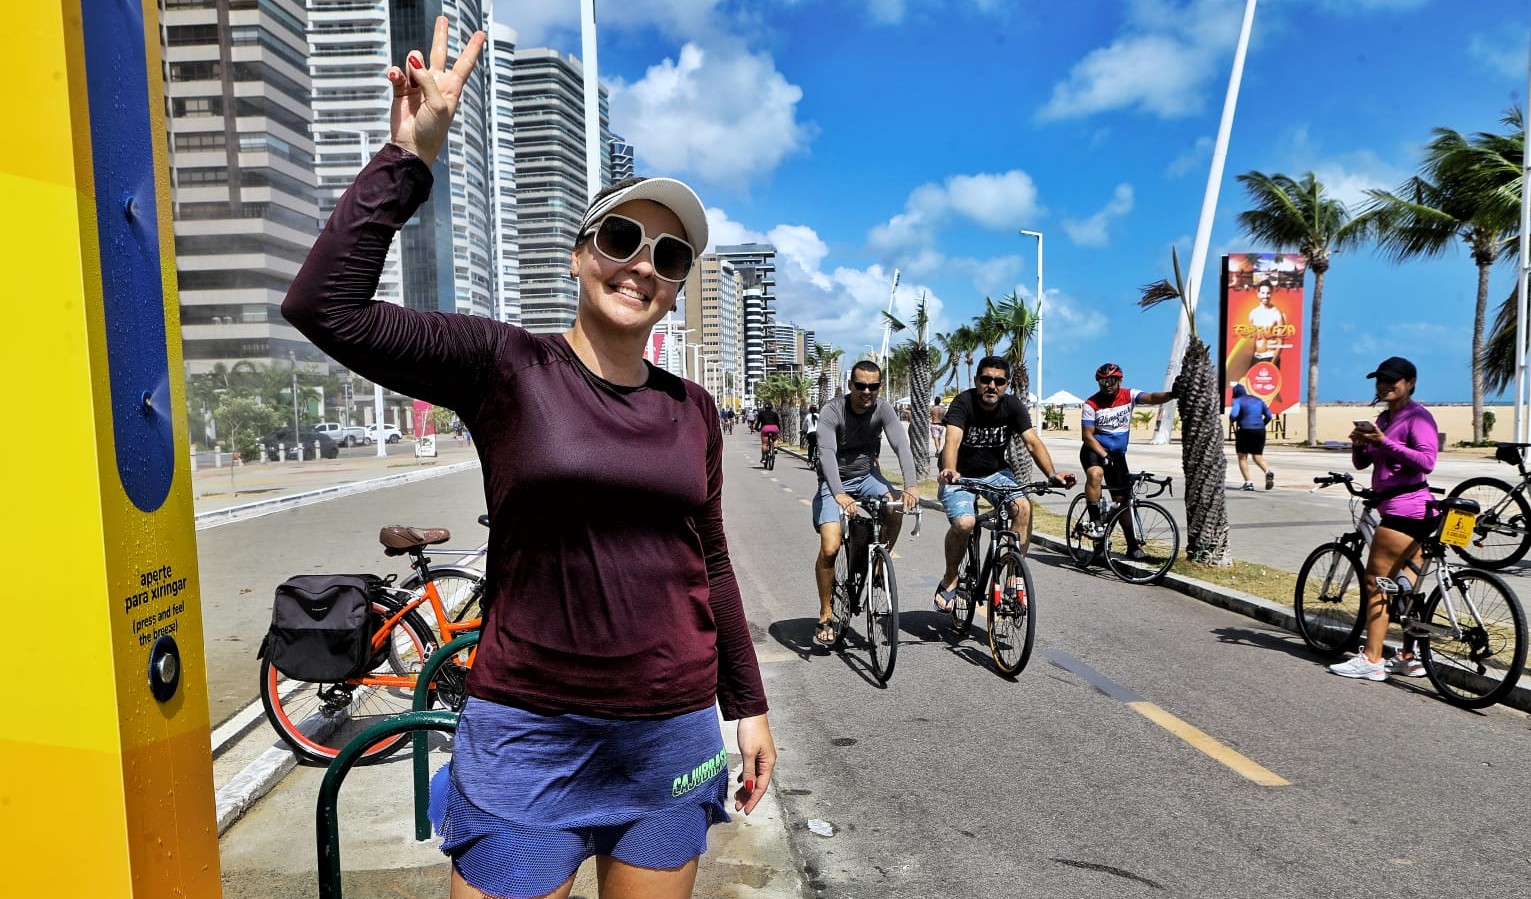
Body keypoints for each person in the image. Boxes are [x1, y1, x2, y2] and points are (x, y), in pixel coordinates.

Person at [281, 19, 774, 899]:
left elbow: (711, 562)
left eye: (667, 256)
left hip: (668, 734)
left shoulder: (692, 409)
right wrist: (409, 156)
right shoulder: (506, 364)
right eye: (622, 240)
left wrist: (748, 706)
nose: (642, 267)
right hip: (527, 736)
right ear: (582, 255)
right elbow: (326, 308)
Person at [934, 356, 1075, 611]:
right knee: (965, 523)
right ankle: (951, 576)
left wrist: (1052, 474)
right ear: (977, 380)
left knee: (1022, 507)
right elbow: (952, 440)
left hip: (995, 473)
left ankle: (1012, 577)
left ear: (1006, 384)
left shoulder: (1012, 405)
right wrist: (950, 470)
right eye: (986, 379)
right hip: (959, 474)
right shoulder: (963, 402)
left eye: (998, 381)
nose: (992, 385)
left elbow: (1032, 442)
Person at [1330, 357, 1437, 682]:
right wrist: (1360, 444)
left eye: (1392, 380)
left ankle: (1373, 658)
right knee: (1407, 587)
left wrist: (1384, 442)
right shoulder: (1384, 418)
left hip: (1407, 509)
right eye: (1380, 380)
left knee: (1376, 582)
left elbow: (1427, 460)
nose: (1384, 385)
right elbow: (1366, 464)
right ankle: (1407, 657)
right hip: (1405, 509)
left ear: (1410, 383)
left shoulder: (1417, 417)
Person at [811, 363, 920, 646]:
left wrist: (910, 485)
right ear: (851, 385)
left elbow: (901, 445)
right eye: (861, 386)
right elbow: (826, 454)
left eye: (873, 386)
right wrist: (839, 494)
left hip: (867, 476)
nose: (867, 392)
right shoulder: (832, 411)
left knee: (895, 506)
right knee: (830, 547)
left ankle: (878, 566)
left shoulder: (883, 409)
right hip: (834, 482)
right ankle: (825, 612)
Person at [1078, 363, 1176, 550]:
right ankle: (1096, 522)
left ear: (1120, 380)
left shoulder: (1128, 395)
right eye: (1103, 381)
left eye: (1112, 380)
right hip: (1094, 451)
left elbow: (1152, 397)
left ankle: (1132, 546)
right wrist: (1104, 455)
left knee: (1123, 501)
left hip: (1117, 455)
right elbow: (1087, 436)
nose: (1107, 384)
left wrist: (1172, 394)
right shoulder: (1091, 404)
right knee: (1096, 475)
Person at [1229, 383, 1274, 491]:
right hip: (1260, 430)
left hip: (1245, 430)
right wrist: (1262, 424)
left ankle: (1248, 483)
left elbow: (1234, 415)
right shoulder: (1258, 400)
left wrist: (1232, 420)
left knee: (1242, 457)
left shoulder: (1238, 401)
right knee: (1257, 456)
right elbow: (1269, 416)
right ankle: (1268, 471)